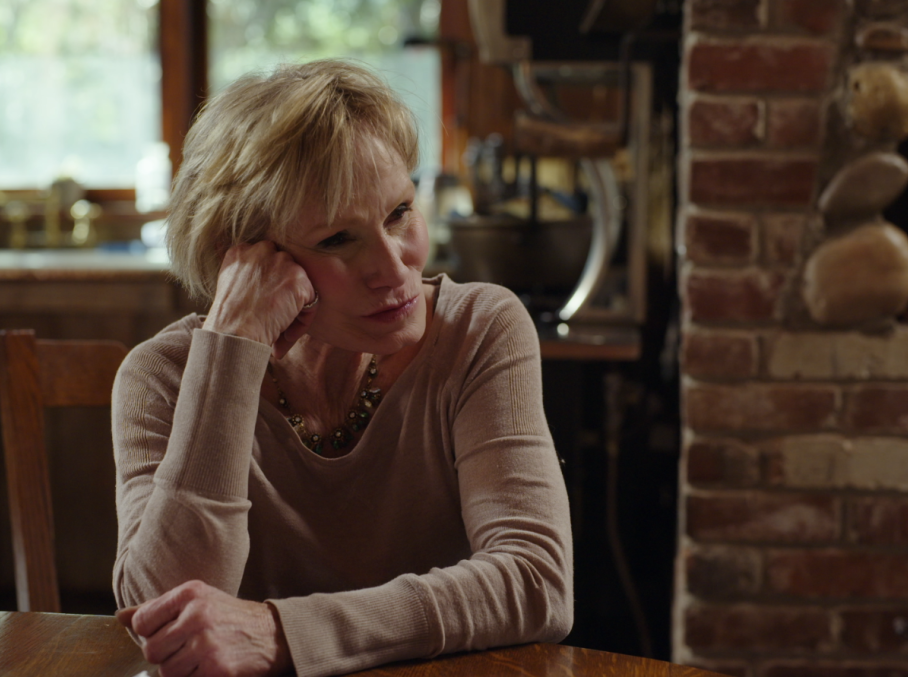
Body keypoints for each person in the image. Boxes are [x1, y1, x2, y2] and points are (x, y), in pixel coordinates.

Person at [111, 59, 572, 677]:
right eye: (337, 240)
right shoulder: (160, 377)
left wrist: (281, 634)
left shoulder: (479, 328)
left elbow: (535, 580)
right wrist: (232, 343)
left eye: (399, 213)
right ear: (247, 261)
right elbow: (160, 614)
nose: (394, 267)